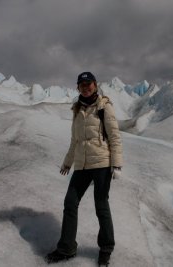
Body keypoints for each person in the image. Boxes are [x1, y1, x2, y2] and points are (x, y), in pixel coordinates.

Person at [45, 72, 123, 265]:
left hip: (102, 163)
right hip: (82, 164)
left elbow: (114, 136)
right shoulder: (77, 109)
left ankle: (106, 248)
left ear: (95, 85)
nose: (86, 87)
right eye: (82, 85)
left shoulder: (105, 107)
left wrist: (117, 164)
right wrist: (67, 162)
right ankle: (67, 248)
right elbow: (75, 140)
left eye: (89, 84)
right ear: (78, 87)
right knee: (70, 202)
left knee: (100, 205)